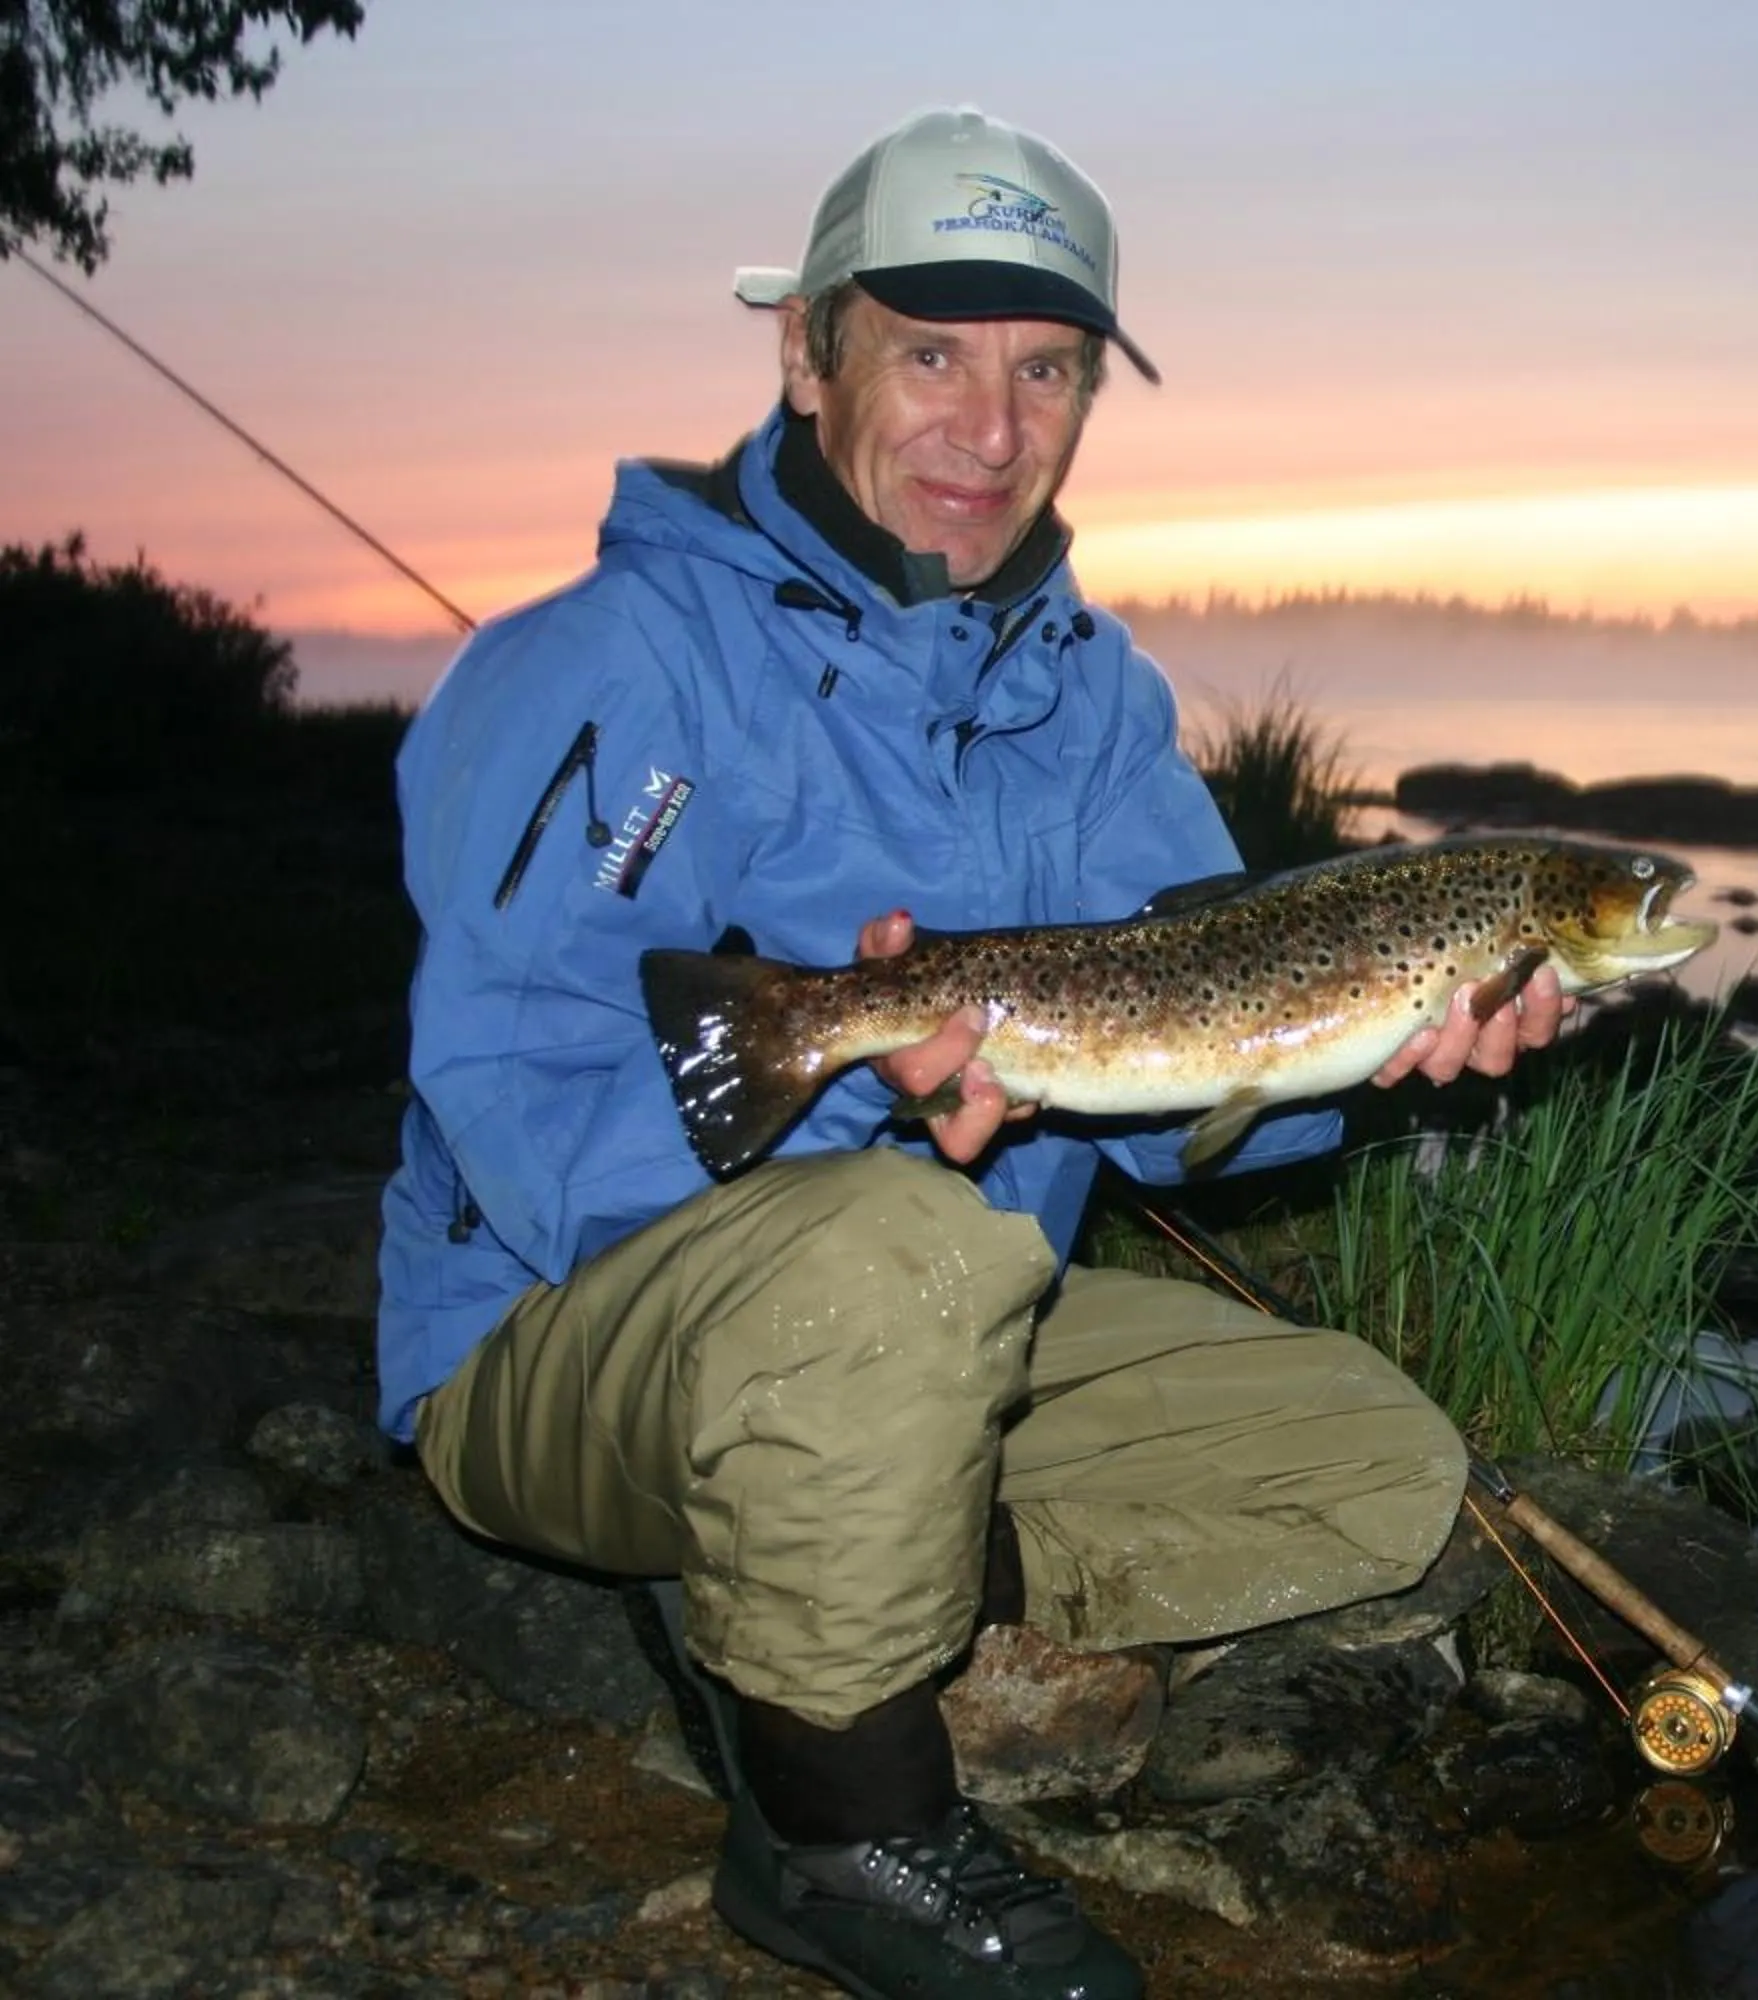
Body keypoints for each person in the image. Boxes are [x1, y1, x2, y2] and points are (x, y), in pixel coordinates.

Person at [374, 106, 1566, 2000]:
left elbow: (1196, 1092)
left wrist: (1364, 1063)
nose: (991, 431)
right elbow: (510, 1091)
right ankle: (839, 1838)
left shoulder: (1098, 700)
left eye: (1046, 372)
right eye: (930, 355)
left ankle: (847, 1556)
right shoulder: (607, 662)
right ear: (809, 351)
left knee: (1370, 1461)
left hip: (937, 1324)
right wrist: (855, 1099)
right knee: (901, 1246)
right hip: (546, 1345)